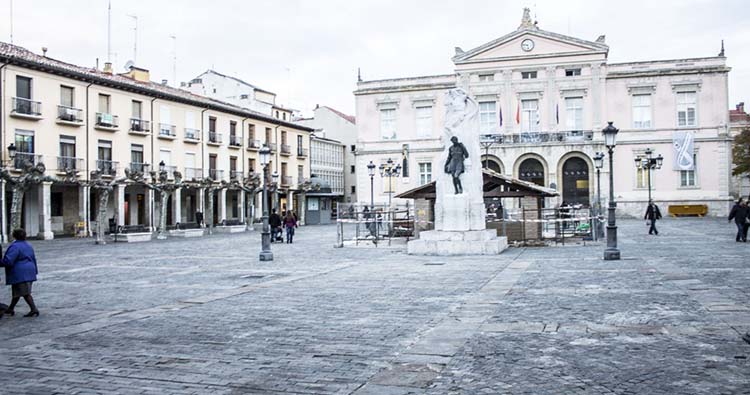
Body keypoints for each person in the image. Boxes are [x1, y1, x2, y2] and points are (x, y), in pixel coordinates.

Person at [2, 229, 39, 317]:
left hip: (20, 272)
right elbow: (33, 258)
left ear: (14, 235)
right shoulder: (28, 245)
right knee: (17, 291)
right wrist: (35, 271)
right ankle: (11, 308)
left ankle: (34, 309)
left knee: (25, 293)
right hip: (29, 270)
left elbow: (9, 260)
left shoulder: (15, 247)